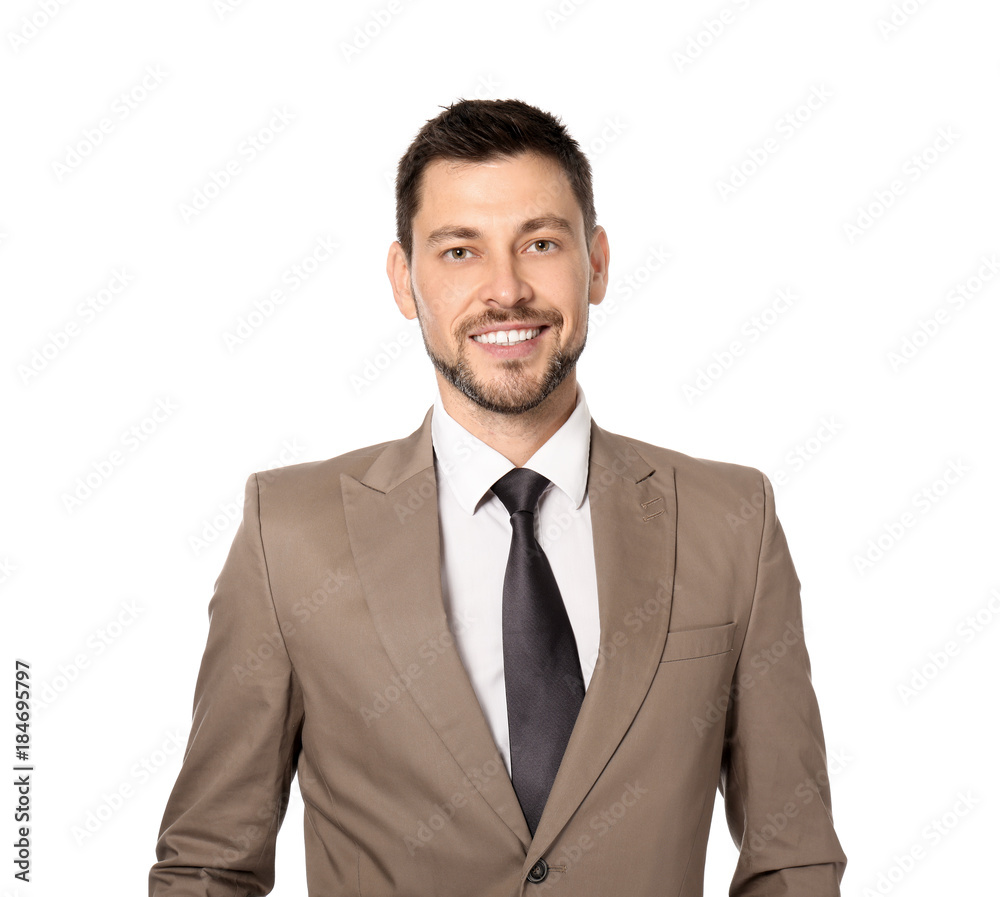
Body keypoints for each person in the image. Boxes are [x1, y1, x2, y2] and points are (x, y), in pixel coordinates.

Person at [149, 98, 847, 896]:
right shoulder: (290, 534)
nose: (505, 290)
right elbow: (208, 866)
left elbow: (793, 860)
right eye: (459, 252)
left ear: (597, 264)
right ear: (403, 279)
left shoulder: (733, 521)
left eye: (541, 243)